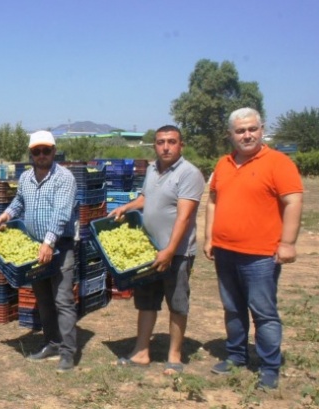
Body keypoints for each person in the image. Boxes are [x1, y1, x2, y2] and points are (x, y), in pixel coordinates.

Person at [204, 107, 303, 390]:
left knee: (263, 312)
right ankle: (236, 356)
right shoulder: (223, 164)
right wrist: (209, 237)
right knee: (232, 308)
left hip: (260, 255)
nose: (247, 135)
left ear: (261, 130)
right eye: (240, 130)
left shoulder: (278, 163)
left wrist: (288, 242)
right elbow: (212, 200)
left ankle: (269, 366)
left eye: (252, 129)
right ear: (230, 135)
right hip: (225, 251)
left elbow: (293, 202)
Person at [108, 125, 205, 375]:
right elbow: (146, 199)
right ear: (155, 145)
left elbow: (184, 217)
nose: (166, 146)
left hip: (177, 253)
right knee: (147, 302)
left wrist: (170, 250)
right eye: (161, 142)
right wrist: (126, 207)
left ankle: (174, 356)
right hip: (149, 250)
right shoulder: (152, 169)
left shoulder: (189, 174)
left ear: (180, 145)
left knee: (177, 303)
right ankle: (142, 352)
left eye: (171, 142)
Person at [0, 130, 79, 373]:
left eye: (46, 150)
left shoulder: (65, 178)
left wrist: (49, 242)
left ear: (54, 151)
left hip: (59, 246)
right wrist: (7, 214)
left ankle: (67, 352)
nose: (41, 155)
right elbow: (19, 201)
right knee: (43, 299)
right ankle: (51, 343)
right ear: (31, 154)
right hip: (34, 247)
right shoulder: (26, 178)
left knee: (62, 300)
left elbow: (62, 213)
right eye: (36, 151)